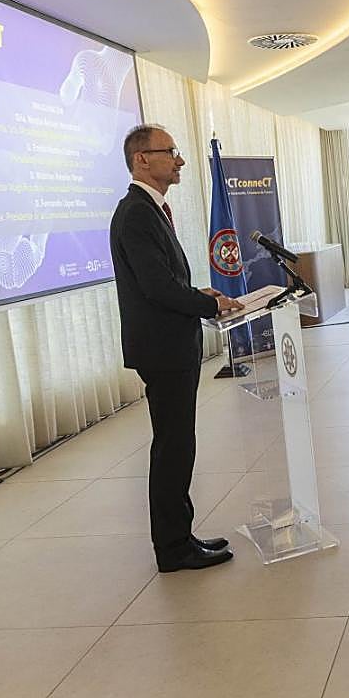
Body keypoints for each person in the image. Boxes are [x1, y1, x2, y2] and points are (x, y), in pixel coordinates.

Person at [109, 124, 241, 572]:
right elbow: (157, 287)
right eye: (170, 152)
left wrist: (199, 293)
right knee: (173, 447)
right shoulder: (136, 214)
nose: (180, 160)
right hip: (163, 349)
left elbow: (166, 281)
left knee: (178, 444)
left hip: (170, 343)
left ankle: (180, 536)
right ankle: (173, 548)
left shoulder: (151, 209)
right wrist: (207, 302)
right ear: (142, 159)